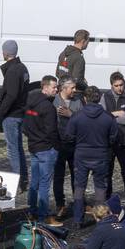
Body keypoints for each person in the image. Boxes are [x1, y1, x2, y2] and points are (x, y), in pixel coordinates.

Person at [70, 86, 118, 226]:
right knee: (100, 188)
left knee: (79, 187)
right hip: (101, 155)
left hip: (81, 155)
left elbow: (69, 135)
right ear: (99, 98)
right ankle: (101, 218)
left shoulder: (77, 116)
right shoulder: (108, 117)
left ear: (84, 98)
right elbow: (114, 137)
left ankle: (78, 220)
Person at [24, 76, 62, 224]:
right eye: (54, 87)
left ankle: (31, 211)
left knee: (35, 181)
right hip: (46, 148)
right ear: (45, 87)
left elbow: (25, 127)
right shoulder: (48, 107)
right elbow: (52, 131)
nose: (56, 89)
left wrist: (34, 138)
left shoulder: (30, 103)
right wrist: (55, 146)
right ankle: (43, 215)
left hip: (34, 146)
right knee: (45, 184)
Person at [0, 40, 30, 186]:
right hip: (20, 112)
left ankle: (17, 181)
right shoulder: (22, 67)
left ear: (5, 53)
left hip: (11, 114)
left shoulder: (12, 71)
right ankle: (23, 179)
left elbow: (11, 95)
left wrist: (1, 113)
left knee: (13, 150)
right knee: (18, 148)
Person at [102, 72, 125, 207]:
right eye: (116, 86)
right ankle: (107, 205)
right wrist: (115, 114)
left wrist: (110, 116)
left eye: (121, 85)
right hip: (109, 141)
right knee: (106, 175)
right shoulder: (106, 96)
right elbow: (101, 116)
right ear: (111, 85)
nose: (119, 88)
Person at [52, 75, 81, 219]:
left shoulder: (77, 102)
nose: (75, 90)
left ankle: (78, 202)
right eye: (72, 88)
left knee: (77, 175)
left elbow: (83, 120)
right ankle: (60, 204)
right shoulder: (55, 101)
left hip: (74, 144)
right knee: (58, 176)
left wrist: (71, 115)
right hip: (59, 144)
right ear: (64, 88)